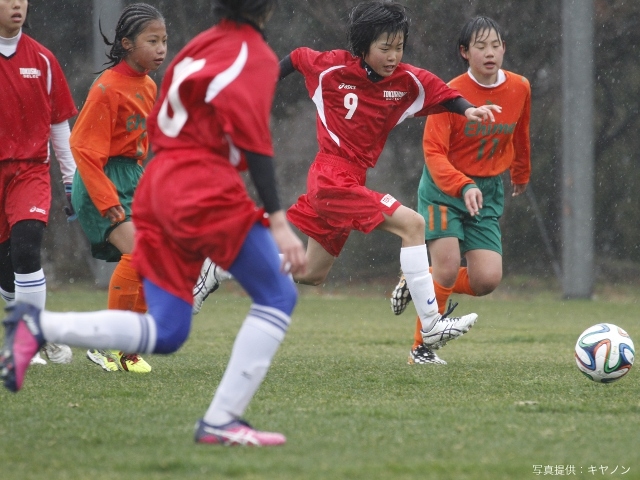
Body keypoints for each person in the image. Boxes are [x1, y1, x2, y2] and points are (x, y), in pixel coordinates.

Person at [1, 0, 307, 447]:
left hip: (160, 185)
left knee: (167, 331)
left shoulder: (198, 47)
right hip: (202, 188)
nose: (161, 48)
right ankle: (221, 420)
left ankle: (39, 326)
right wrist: (277, 219)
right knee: (278, 294)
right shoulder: (253, 54)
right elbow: (255, 140)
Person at [390, 16, 531, 365]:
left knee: (486, 279)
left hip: (487, 190)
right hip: (443, 189)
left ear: (504, 49)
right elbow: (433, 154)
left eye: (496, 45)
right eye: (480, 46)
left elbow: (521, 132)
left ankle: (419, 281)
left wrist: (521, 172)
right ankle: (421, 347)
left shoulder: (520, 87)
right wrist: (462, 184)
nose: (490, 53)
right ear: (464, 52)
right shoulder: (448, 94)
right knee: (449, 266)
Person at [70, 3, 167, 373]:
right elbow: (82, 148)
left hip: (131, 179)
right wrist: (106, 198)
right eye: (152, 40)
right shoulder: (107, 88)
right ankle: (104, 345)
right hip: (101, 180)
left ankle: (128, 350)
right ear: (126, 43)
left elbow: (141, 145)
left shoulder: (149, 84)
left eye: (164, 40)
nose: (161, 48)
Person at [0, 0, 75, 366]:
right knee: (4, 264)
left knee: (27, 247)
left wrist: (71, 178)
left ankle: (26, 342)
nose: (17, 4)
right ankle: (33, 333)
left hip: (30, 171)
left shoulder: (43, 60)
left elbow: (59, 122)